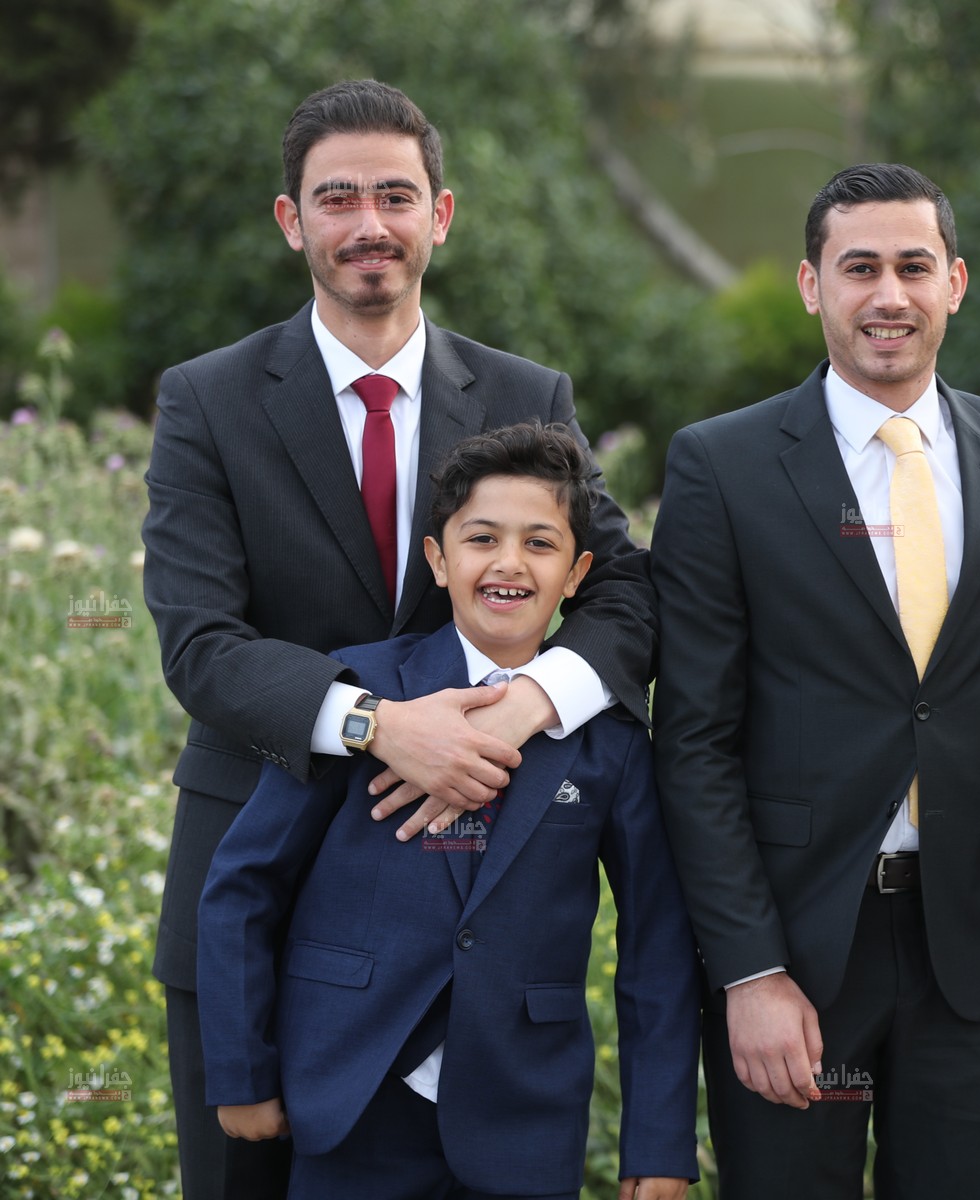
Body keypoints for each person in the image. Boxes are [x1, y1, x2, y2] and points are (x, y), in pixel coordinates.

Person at [141, 79, 655, 1200]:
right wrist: (377, 724)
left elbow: (627, 590)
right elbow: (201, 644)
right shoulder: (207, 401)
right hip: (249, 908)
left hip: (450, 906)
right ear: (293, 221)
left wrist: (529, 706)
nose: (368, 223)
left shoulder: (526, 393)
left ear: (441, 215)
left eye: (395, 195)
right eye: (337, 198)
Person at [650, 162, 980, 1198]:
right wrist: (748, 969)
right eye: (859, 267)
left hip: (974, 951)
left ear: (954, 282)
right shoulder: (721, 467)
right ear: (811, 285)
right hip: (796, 954)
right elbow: (692, 742)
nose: (889, 295)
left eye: (914, 267)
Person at [195, 422, 698, 1200]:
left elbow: (656, 945)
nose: (508, 562)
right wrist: (241, 1074)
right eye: (482, 538)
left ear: (578, 573)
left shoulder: (613, 739)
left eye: (540, 544)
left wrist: (658, 1144)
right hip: (349, 1095)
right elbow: (245, 884)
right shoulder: (360, 694)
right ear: (438, 559)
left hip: (522, 1112)